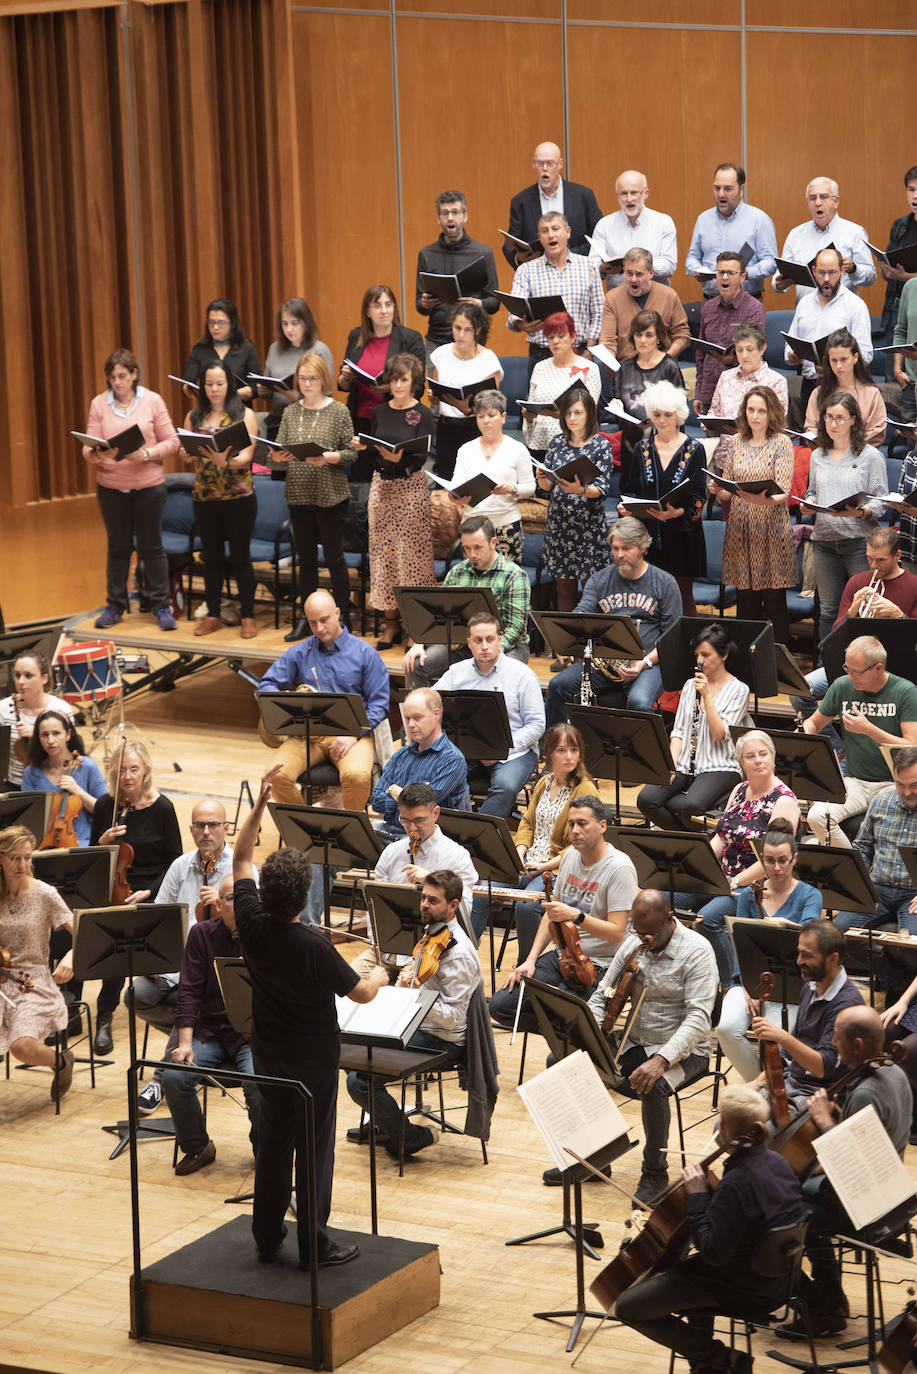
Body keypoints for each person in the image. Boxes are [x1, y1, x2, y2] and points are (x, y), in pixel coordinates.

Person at [233, 765, 388, 1269]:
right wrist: (383, 973)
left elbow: (239, 858)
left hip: (270, 1053)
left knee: (274, 1144)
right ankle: (314, 1245)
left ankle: (265, 1235)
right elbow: (362, 992)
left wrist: (259, 805)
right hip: (313, 1061)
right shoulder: (314, 945)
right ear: (304, 897)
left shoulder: (252, 925)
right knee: (315, 1150)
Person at [614, 1083, 803, 1370]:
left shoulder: (736, 1183)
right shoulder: (777, 1161)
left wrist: (699, 1196)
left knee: (627, 1306)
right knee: (687, 1271)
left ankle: (721, 1359)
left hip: (744, 1287)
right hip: (780, 1281)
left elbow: (713, 1252)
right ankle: (706, 1368)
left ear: (723, 1126)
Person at [775, 1005, 912, 1340]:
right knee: (796, 1194)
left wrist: (823, 1121)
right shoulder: (894, 1071)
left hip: (862, 1203)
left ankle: (821, 1306)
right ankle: (831, 1296)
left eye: (838, 1036)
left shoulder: (865, 1092)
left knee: (774, 1220)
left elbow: (850, 1167)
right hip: (888, 1193)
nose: (833, 1042)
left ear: (859, 1044)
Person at [589, 890, 718, 1204]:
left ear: (669, 920)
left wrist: (662, 1059)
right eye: (638, 930)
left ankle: (655, 1172)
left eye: (650, 932)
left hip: (686, 1051)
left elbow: (699, 1018)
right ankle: (595, 1155)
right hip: (635, 1040)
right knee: (566, 1060)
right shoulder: (634, 943)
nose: (643, 938)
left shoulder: (698, 951)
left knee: (655, 1084)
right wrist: (587, 1030)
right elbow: (601, 994)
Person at [346, 868, 482, 1158]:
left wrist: (418, 997)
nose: (423, 905)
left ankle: (409, 1135)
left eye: (433, 901)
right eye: (423, 898)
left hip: (443, 1041)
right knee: (349, 1047)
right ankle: (386, 1121)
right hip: (416, 1026)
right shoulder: (430, 932)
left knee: (358, 1080)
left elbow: (454, 1019)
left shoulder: (458, 954)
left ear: (453, 905)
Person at [491, 795, 638, 1045]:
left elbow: (616, 933)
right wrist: (530, 960)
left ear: (602, 826)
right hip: (565, 956)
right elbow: (552, 913)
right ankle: (574, 1036)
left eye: (582, 824)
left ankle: (579, 1037)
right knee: (501, 1006)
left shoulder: (619, 868)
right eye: (571, 824)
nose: (574, 831)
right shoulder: (569, 857)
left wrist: (578, 917)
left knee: (568, 1015)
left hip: (601, 965)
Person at [131, 797, 241, 1118]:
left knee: (189, 1003)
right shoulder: (181, 866)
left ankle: (160, 1078)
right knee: (138, 994)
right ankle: (195, 1035)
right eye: (199, 826)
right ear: (192, 829)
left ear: (225, 829)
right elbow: (161, 917)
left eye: (213, 825)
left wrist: (223, 908)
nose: (206, 832)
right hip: (180, 965)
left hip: (221, 974)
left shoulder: (240, 869)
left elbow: (255, 924)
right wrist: (156, 959)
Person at [161, 875, 261, 1175]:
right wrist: (186, 1043)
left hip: (252, 1036)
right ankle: (198, 1146)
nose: (241, 904)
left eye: (247, 898)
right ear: (218, 904)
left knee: (260, 1084)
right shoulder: (201, 934)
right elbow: (189, 991)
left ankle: (265, 1148)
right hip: (212, 1032)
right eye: (232, 898)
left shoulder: (265, 935)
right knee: (174, 1078)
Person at [684, 730, 800, 987]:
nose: (758, 760)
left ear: (773, 757)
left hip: (756, 883)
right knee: (663, 898)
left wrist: (735, 882)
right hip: (723, 876)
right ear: (741, 762)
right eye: (751, 756)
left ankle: (731, 984)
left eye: (763, 754)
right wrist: (697, 866)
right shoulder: (739, 789)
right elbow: (722, 837)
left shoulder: (784, 801)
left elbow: (773, 862)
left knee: (707, 920)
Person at [86, 742, 183, 1053]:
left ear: (146, 772)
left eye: (133, 769)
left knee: (128, 934)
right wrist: (102, 842)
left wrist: (150, 891)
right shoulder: (106, 805)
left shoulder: (163, 808)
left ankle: (163, 1008)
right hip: (116, 888)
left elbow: (175, 860)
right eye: (121, 771)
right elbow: (94, 859)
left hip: (153, 889)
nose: (127, 777)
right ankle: (104, 1017)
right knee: (114, 940)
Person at [258, 590, 390, 811]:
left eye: (324, 620)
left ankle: (352, 834)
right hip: (308, 735)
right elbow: (267, 685)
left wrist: (354, 733)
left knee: (356, 776)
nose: (319, 629)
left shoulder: (365, 654)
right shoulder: (300, 652)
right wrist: (289, 700)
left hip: (352, 734)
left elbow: (379, 704)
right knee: (276, 775)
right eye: (312, 623)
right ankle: (308, 829)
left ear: (337, 613)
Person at [471, 723, 600, 949]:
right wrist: (519, 851)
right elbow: (528, 822)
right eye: (561, 750)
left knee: (527, 906)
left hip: (559, 868)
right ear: (548, 754)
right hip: (528, 861)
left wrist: (545, 866)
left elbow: (583, 844)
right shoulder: (543, 783)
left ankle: (527, 967)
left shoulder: (585, 789)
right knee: (481, 890)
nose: (569, 756)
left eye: (574, 750)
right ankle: (467, 953)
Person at [545, 517, 682, 726]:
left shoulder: (665, 583)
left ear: (643, 547)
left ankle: (637, 757)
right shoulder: (599, 580)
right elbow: (581, 613)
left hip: (649, 662)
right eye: (615, 548)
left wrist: (643, 663)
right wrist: (564, 639)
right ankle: (552, 748)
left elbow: (672, 637)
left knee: (639, 700)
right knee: (557, 685)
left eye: (626, 548)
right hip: (606, 663)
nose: (619, 555)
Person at [714, 820, 823, 1081]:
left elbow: (806, 935)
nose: (776, 868)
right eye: (769, 860)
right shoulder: (750, 895)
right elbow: (740, 945)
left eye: (783, 860)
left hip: (793, 984)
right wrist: (748, 984)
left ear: (794, 859)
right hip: (751, 980)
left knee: (775, 1033)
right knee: (727, 1028)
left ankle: (773, 1085)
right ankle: (763, 1085)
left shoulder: (810, 895)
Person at [81, 347, 180, 632]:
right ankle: (115, 605)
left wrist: (148, 454)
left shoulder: (152, 401)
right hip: (111, 487)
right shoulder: (100, 404)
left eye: (122, 376)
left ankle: (162, 607)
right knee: (118, 547)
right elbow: (89, 445)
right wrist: (94, 455)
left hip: (148, 485)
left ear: (134, 374)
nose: (117, 382)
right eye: (112, 377)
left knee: (152, 548)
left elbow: (172, 441)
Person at [790, 529, 917, 735]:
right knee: (800, 691)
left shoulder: (914, 585)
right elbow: (836, 635)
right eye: (869, 558)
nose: (874, 566)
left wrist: (898, 615)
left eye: (881, 560)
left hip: (893, 668)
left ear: (898, 556)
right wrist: (852, 612)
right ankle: (833, 747)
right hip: (852, 666)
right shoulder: (857, 582)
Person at [804, 636, 917, 847]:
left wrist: (870, 730)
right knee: (817, 816)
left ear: (878, 668)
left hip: (893, 784)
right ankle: (855, 870)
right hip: (855, 781)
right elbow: (814, 723)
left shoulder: (905, 691)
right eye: (847, 669)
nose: (850, 677)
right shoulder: (842, 686)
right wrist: (806, 731)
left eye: (856, 672)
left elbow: (912, 746)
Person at [273, 352, 355, 641]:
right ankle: (307, 620)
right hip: (299, 491)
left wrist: (329, 457)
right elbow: (280, 448)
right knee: (305, 560)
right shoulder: (290, 412)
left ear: (324, 380)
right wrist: (278, 454)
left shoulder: (338, 411)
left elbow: (351, 452)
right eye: (303, 378)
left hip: (330, 493)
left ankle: (341, 616)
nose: (307, 384)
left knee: (334, 559)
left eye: (313, 378)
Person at [637, 624, 751, 831]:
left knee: (692, 806)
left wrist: (707, 695)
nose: (699, 661)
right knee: (646, 799)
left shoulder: (740, 690)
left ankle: (699, 843)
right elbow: (679, 731)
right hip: (685, 763)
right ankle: (685, 838)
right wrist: (671, 765)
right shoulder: (690, 685)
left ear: (723, 655)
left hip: (720, 765)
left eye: (706, 655)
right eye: (697, 655)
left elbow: (719, 735)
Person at [356, 351, 436, 648]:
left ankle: (415, 628)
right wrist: (367, 447)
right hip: (382, 489)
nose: (398, 385)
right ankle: (390, 624)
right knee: (384, 558)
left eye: (404, 380)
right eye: (394, 379)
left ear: (414, 381)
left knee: (411, 559)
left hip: (410, 488)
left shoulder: (423, 413)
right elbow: (375, 447)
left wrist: (398, 457)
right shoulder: (379, 412)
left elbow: (421, 455)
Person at [433, 611, 544, 817]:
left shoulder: (522, 674)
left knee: (505, 787)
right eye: (478, 640)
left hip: (515, 752)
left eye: (490, 639)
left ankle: (479, 838)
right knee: (439, 779)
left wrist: (501, 749)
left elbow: (536, 724)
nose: (484, 645)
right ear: (469, 643)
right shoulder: (457, 672)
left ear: (499, 640)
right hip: (467, 749)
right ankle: (448, 834)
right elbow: (429, 701)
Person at [178, 361, 259, 639]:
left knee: (240, 558)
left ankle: (247, 615)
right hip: (205, 497)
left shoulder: (245, 414)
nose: (214, 389)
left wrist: (224, 461)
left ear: (229, 385)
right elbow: (185, 450)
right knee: (210, 557)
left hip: (238, 497)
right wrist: (185, 454)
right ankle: (213, 614)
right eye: (209, 384)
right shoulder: (194, 416)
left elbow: (246, 459)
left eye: (220, 384)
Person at [710, 385, 797, 642]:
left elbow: (783, 492)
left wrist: (761, 498)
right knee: (745, 601)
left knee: (773, 603)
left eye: (761, 410)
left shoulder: (782, 442)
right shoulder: (736, 441)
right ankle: (744, 663)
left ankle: (779, 666)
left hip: (770, 527)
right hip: (742, 527)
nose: (755, 416)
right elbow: (728, 491)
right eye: (751, 410)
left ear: (771, 413)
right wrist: (717, 489)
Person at [800, 392, 889, 640]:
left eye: (839, 418)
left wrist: (861, 511)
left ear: (852, 420)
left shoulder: (870, 456)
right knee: (829, 610)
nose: (833, 424)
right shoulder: (818, 455)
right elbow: (812, 491)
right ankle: (829, 667)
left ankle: (863, 666)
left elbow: (882, 500)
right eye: (829, 417)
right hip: (824, 541)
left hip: (859, 542)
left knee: (863, 609)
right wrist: (809, 503)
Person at [403, 514, 531, 687]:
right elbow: (436, 613)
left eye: (478, 548)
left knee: (500, 672)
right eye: (467, 548)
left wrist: (487, 650)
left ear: (493, 543)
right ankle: (426, 712)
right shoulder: (457, 572)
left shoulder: (514, 575)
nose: (472, 554)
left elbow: (515, 628)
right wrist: (419, 643)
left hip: (507, 645)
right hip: (464, 643)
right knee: (415, 665)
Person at [752, 922, 864, 1116]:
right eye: (799, 953)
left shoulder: (846, 1004)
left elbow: (823, 1068)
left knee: (759, 1131)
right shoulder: (809, 988)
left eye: (807, 955)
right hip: (791, 1083)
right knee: (726, 1124)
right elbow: (788, 1055)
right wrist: (758, 1082)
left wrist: (781, 1036)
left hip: (820, 1095)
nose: (798, 961)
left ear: (832, 958)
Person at [0, 825, 76, 1101]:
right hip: (0, 981)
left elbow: (85, 933)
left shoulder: (45, 894)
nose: (22, 864)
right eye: (14, 858)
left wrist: (72, 956)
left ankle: (61, 1062)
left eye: (27, 857)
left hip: (33, 983)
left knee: (21, 1047)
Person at [625, 379, 706, 615]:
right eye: (657, 414)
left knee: (682, 600)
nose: (661, 420)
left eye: (668, 415)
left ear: (678, 416)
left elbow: (699, 496)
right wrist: (627, 506)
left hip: (683, 536)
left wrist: (677, 512)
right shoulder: (642, 448)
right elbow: (631, 489)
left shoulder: (694, 448)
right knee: (649, 602)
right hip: (650, 535)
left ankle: (686, 650)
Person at [337, 284, 425, 486]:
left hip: (395, 422)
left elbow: (418, 387)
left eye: (388, 304)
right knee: (362, 482)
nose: (384, 310)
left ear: (394, 308)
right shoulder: (355, 336)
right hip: (361, 422)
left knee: (392, 481)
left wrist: (389, 388)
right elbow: (342, 385)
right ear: (367, 311)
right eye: (377, 306)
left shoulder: (409, 338)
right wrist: (346, 377)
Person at [539, 387, 614, 610]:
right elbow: (546, 488)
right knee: (564, 588)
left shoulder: (601, 445)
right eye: (568, 413)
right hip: (559, 523)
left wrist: (580, 490)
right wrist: (542, 478)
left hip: (588, 524)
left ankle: (594, 642)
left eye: (578, 412)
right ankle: (567, 644)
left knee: (592, 589)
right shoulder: (556, 443)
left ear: (589, 413)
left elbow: (601, 489)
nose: (572, 418)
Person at [834, 746, 917, 935]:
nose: (906, 792)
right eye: (899, 784)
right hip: (877, 889)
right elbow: (863, 847)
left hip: (913, 895)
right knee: (840, 931)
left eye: (914, 785)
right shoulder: (881, 801)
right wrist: (859, 885)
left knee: (912, 946)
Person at [506, 213, 604, 369]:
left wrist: (590, 351)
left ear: (568, 232)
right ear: (539, 237)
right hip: (541, 354)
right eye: (545, 231)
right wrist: (521, 325)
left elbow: (599, 312)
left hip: (580, 352)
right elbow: (514, 312)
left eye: (555, 229)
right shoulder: (526, 270)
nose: (551, 235)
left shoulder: (589, 266)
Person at [449, 390, 535, 564]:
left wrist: (512, 489)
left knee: (506, 584)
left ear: (503, 417)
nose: (486, 421)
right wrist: (455, 497)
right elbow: (456, 484)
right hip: (473, 526)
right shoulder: (465, 449)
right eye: (480, 416)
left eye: (491, 415)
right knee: (475, 585)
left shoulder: (517, 449)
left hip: (506, 523)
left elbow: (530, 487)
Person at [369, 689, 469, 839]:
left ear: (436, 715)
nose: (411, 725)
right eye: (407, 718)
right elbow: (376, 800)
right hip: (390, 830)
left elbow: (421, 805)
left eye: (417, 718)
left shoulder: (452, 760)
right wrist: (405, 799)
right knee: (355, 841)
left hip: (428, 839)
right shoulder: (401, 755)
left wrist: (394, 791)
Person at [415, 190, 499, 360]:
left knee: (473, 388)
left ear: (465, 216)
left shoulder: (483, 253)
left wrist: (479, 303)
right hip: (436, 341)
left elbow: (494, 302)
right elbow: (419, 305)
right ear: (438, 218)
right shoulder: (426, 254)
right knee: (435, 387)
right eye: (445, 213)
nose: (450, 218)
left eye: (455, 212)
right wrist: (424, 303)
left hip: (472, 340)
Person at [785, 248, 873, 408]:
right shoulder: (804, 303)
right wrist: (792, 356)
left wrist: (833, 365)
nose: (826, 279)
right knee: (810, 432)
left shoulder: (855, 305)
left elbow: (866, 354)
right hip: (809, 386)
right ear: (813, 271)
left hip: (842, 388)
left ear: (842, 270)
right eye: (821, 272)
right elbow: (790, 344)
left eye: (832, 272)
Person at [608, 310, 685, 493]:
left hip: (663, 451)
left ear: (658, 337)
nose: (642, 340)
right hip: (631, 450)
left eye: (648, 335)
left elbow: (680, 415)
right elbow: (620, 406)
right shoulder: (625, 368)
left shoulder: (669, 367)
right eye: (638, 334)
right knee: (629, 506)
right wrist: (617, 405)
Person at [429, 301, 502, 479]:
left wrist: (469, 408)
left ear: (477, 330)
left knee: (474, 481)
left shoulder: (488, 359)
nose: (461, 334)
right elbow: (437, 390)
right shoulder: (441, 354)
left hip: (475, 428)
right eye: (457, 327)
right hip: (446, 427)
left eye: (467, 329)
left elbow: (492, 405)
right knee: (446, 479)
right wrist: (434, 397)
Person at [703, 323, 789, 474]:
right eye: (739, 350)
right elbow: (714, 411)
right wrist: (709, 423)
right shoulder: (726, 377)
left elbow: (778, 425)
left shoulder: (776, 381)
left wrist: (746, 429)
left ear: (762, 349)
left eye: (750, 349)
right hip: (725, 458)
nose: (744, 355)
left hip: (759, 462)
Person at [685, 162, 778, 298]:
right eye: (717, 188)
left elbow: (770, 262)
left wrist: (744, 273)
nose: (721, 194)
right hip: (711, 301)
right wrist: (697, 269)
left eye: (727, 189)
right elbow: (692, 257)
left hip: (748, 302)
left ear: (741, 189)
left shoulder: (759, 220)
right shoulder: (703, 220)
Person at [774, 177, 875, 300]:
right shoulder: (796, 235)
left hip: (842, 312)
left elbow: (870, 277)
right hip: (807, 312)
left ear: (836, 201)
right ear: (808, 203)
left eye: (823, 197)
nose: (817, 203)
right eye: (812, 198)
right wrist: (778, 284)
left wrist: (853, 269)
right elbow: (779, 276)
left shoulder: (854, 232)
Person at [502, 142, 601, 267]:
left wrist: (567, 255)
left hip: (578, 271)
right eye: (540, 163)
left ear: (560, 164)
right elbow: (510, 244)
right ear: (533, 164)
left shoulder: (583, 196)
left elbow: (598, 237)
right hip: (538, 273)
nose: (545, 168)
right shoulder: (521, 201)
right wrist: (519, 258)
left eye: (550, 163)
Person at [692, 252, 767, 412]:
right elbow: (700, 355)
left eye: (731, 273)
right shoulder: (709, 307)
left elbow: (754, 355)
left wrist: (730, 361)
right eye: (720, 273)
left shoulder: (753, 308)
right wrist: (699, 393)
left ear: (742, 277)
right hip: (710, 390)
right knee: (709, 437)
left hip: (741, 394)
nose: (724, 278)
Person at [521, 310, 601, 454]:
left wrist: (561, 414)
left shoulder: (589, 368)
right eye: (550, 337)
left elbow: (590, 412)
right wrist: (529, 416)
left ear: (572, 337)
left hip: (575, 446)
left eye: (561, 336)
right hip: (541, 444)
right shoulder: (540, 367)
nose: (555, 341)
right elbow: (532, 405)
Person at [22, 711, 106, 848]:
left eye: (56, 733)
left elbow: (104, 811)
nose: (50, 740)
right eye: (44, 735)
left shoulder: (87, 766)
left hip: (81, 844)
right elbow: (27, 819)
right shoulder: (31, 772)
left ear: (68, 734)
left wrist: (78, 791)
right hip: (43, 846)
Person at [587, 169, 677, 287]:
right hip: (618, 300)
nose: (629, 199)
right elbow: (592, 266)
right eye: (624, 194)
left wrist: (637, 265)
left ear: (646, 193)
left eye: (634, 193)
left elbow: (669, 266)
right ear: (617, 196)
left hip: (655, 299)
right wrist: (603, 269)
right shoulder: (604, 225)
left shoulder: (664, 222)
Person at [259, 297, 333, 439]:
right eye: (284, 324)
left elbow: (327, 394)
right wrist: (264, 390)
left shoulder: (319, 350)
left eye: (295, 323)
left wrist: (289, 393)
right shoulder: (274, 349)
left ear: (306, 323)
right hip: (277, 420)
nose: (289, 329)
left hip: (310, 421)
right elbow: (266, 393)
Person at [598, 248, 689, 361]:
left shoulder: (669, 296)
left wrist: (665, 359)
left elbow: (682, 336)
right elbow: (607, 340)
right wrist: (610, 361)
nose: (633, 279)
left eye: (639, 274)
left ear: (651, 273)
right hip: (626, 369)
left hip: (662, 368)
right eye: (629, 273)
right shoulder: (612, 298)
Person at [803, 328, 887, 447]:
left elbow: (877, 432)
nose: (838, 366)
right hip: (826, 457)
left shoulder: (872, 393)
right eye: (834, 360)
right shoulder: (818, 393)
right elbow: (811, 429)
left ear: (855, 357)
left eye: (843, 359)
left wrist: (844, 446)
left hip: (860, 458)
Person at [0, 652, 72, 788]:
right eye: (17, 675)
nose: (21, 681)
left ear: (44, 678)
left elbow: (72, 753)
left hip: (52, 784)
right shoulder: (3, 709)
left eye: (28, 675)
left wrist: (38, 734)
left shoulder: (61, 708)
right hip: (13, 784)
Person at [182, 297, 260, 401]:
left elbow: (255, 388)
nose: (215, 327)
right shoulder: (200, 349)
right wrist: (188, 388)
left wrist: (227, 394)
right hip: (208, 410)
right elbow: (187, 383)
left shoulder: (246, 348)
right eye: (211, 322)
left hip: (239, 411)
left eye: (221, 323)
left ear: (232, 324)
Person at [878, 166, 917, 372]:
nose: (915, 196)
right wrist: (886, 270)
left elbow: (904, 276)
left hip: (916, 307)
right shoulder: (900, 225)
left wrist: (905, 277)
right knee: (892, 373)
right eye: (911, 190)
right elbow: (889, 262)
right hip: (897, 304)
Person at [893, 275, 917, 423]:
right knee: (911, 442)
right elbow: (900, 331)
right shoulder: (911, 286)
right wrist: (897, 370)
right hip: (911, 382)